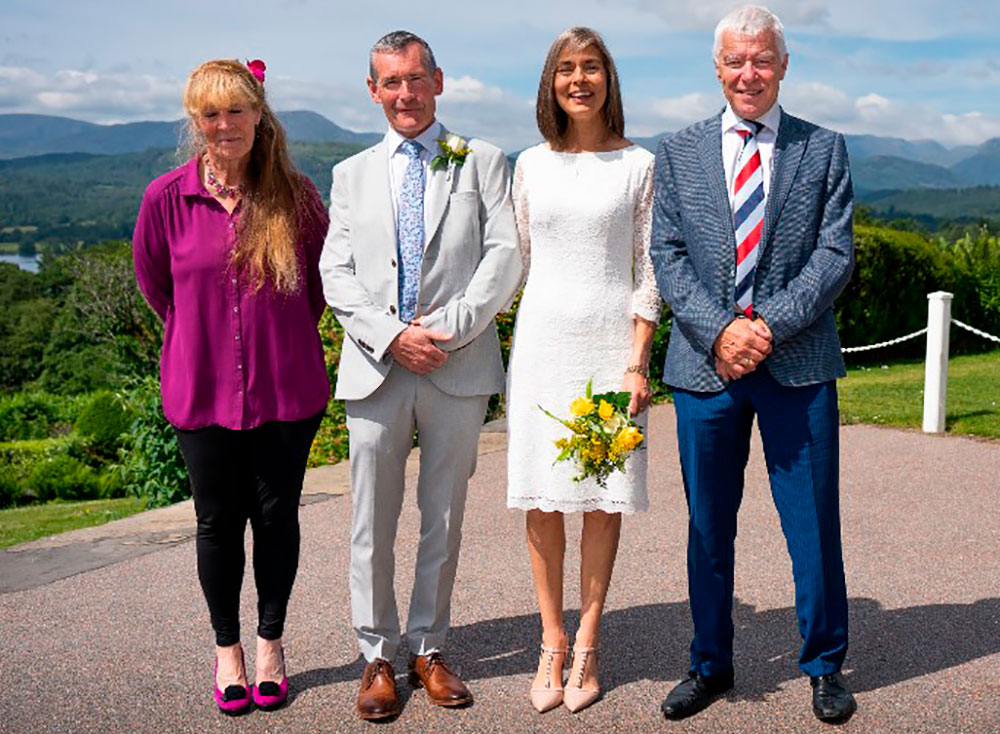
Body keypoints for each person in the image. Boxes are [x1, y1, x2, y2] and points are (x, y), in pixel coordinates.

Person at [649, 5, 856, 724]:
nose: (748, 73)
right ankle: (710, 663)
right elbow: (667, 256)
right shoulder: (677, 151)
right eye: (736, 61)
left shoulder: (823, 148)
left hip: (797, 366)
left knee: (813, 524)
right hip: (705, 369)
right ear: (717, 68)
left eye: (761, 59)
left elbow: (835, 257)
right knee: (708, 525)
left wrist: (764, 327)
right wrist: (720, 333)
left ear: (783, 65)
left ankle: (826, 665)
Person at [319, 31, 522, 721]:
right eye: (390, 82)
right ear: (372, 89)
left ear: (438, 80)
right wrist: (392, 336)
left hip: (456, 365)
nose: (404, 94)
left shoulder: (484, 160)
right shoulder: (349, 175)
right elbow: (335, 275)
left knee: (443, 516)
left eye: (415, 79)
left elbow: (504, 257)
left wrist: (447, 330)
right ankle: (376, 655)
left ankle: (429, 648)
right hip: (377, 367)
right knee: (370, 521)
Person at [133, 59, 330, 715]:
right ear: (196, 122)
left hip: (285, 391)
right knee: (217, 523)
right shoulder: (165, 200)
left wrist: (271, 343)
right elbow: (160, 289)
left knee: (276, 520)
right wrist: (208, 338)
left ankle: (270, 642)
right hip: (202, 391)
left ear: (258, 116)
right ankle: (228, 653)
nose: (224, 124)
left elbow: (318, 295)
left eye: (236, 110)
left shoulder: (297, 198)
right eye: (210, 113)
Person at [506, 27, 661, 714]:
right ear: (551, 82)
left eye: (591, 67)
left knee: (602, 496)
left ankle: (591, 642)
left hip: (608, 348)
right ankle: (551, 640)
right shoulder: (529, 165)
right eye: (566, 69)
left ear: (609, 79)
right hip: (541, 345)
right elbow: (514, 261)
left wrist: (636, 362)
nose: (579, 79)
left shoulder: (641, 165)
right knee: (542, 497)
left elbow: (649, 269)